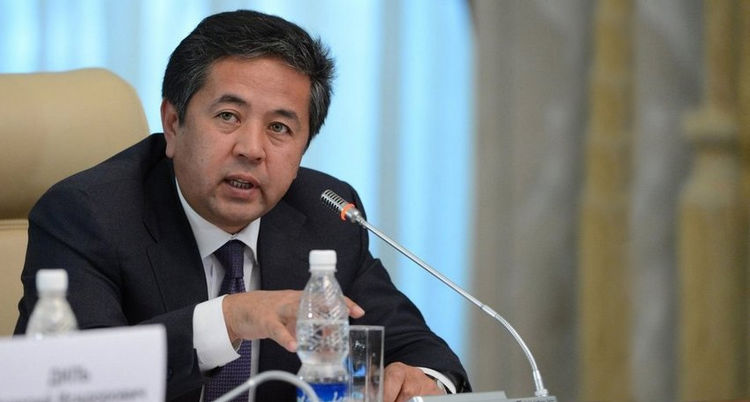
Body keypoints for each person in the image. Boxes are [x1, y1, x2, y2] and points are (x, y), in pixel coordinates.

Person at [14, 9, 470, 402]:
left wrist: (422, 381)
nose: (252, 149)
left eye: (279, 128)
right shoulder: (88, 213)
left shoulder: (325, 213)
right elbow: (71, 379)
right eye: (228, 116)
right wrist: (231, 318)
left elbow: (419, 348)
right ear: (172, 124)